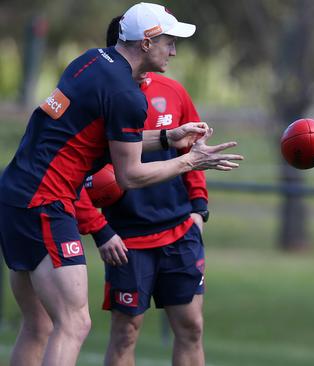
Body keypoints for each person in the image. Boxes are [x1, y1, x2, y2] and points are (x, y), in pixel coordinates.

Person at [0, 3, 244, 366]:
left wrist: (168, 137)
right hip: (45, 201)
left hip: (15, 192)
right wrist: (192, 160)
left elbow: (106, 140)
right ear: (146, 43)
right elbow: (130, 175)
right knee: (74, 322)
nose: (173, 51)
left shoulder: (93, 61)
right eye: (168, 42)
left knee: (39, 324)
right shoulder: (126, 95)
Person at [74, 15, 209, 365]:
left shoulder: (174, 92)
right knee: (125, 333)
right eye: (168, 43)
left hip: (180, 232)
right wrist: (101, 231)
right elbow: (71, 178)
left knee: (191, 327)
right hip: (128, 240)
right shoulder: (105, 97)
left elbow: (194, 152)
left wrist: (199, 209)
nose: (174, 52)